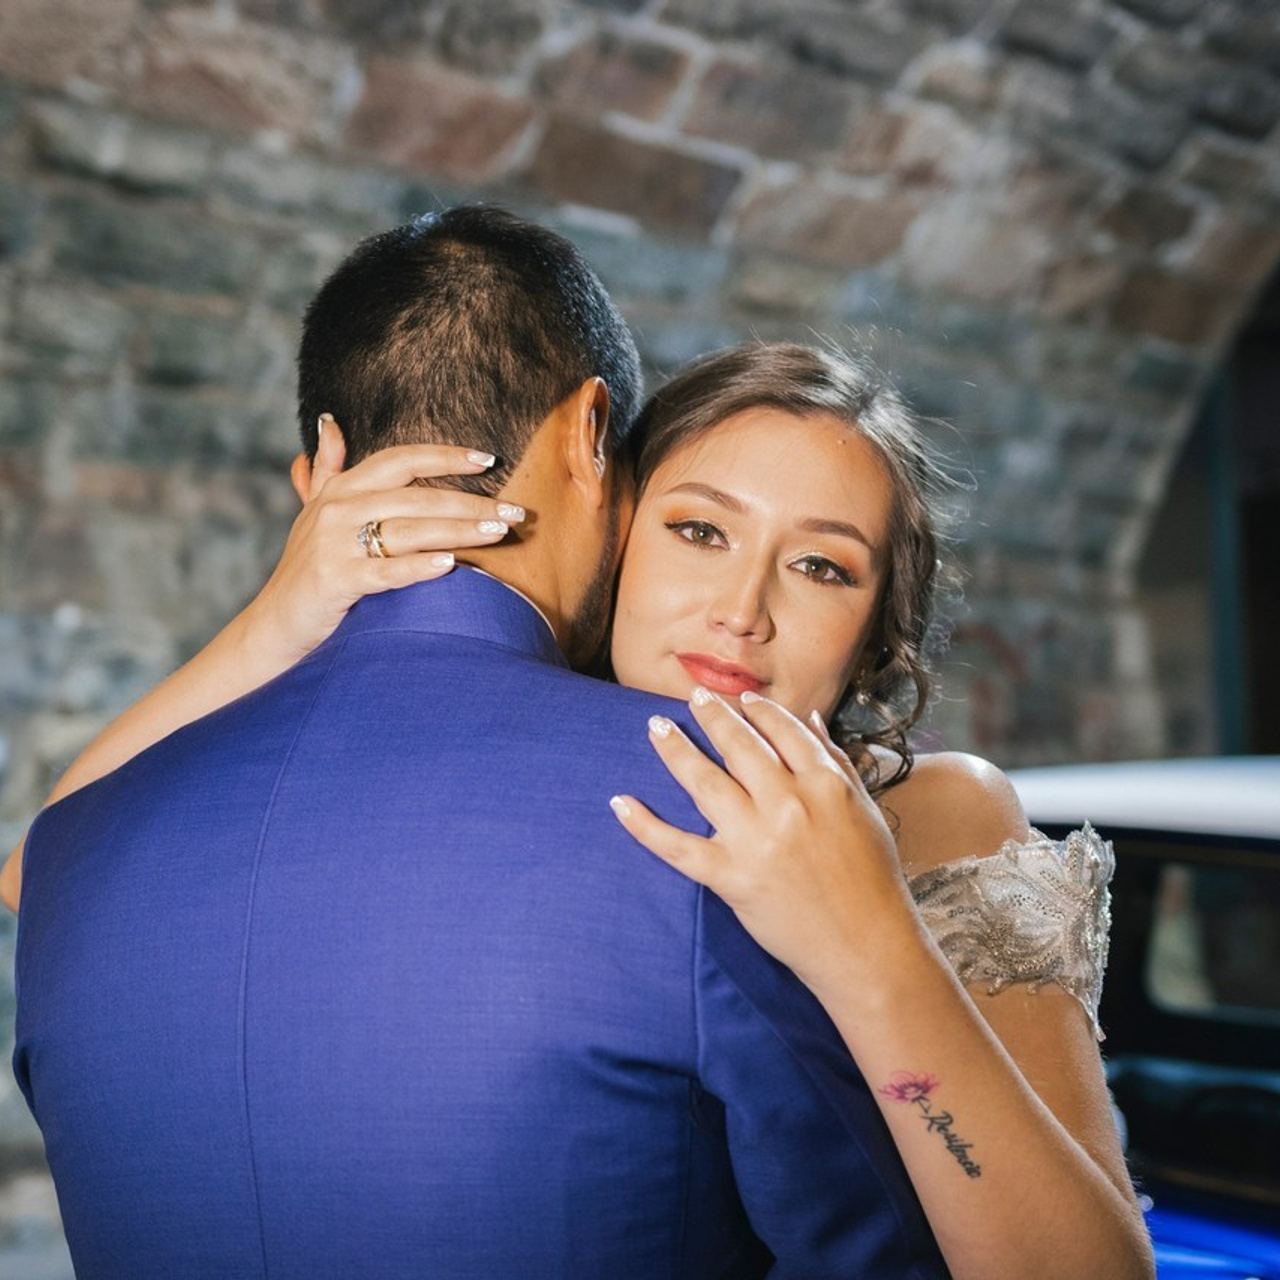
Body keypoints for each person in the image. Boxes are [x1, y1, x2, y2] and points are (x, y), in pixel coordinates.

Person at [8, 209, 954, 1277]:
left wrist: (280, 609)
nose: (737, 609)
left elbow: (35, 861)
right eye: (694, 527)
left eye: (819, 566)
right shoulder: (711, 809)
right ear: (593, 432)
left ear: (319, 474)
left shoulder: (77, 855)